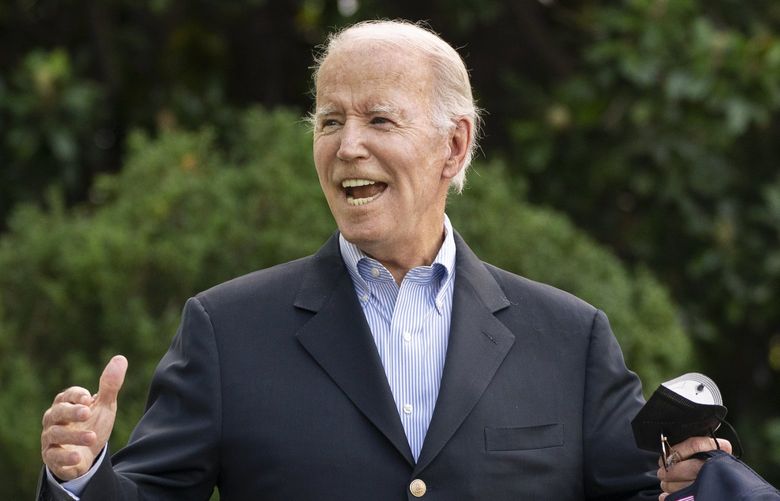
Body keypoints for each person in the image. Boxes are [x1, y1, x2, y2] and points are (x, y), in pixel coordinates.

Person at [38, 20, 728, 500]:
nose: (346, 147)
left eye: (379, 119)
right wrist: (83, 473)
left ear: (453, 147)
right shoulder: (226, 329)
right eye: (330, 120)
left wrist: (693, 482)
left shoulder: (571, 339)